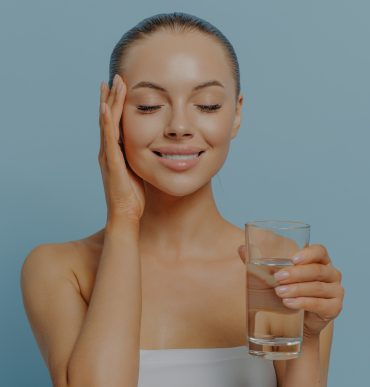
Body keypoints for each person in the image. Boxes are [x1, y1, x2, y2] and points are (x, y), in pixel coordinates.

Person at [20, 12, 344, 387]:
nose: (179, 127)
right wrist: (123, 216)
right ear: (112, 116)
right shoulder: (61, 269)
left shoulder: (279, 266)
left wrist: (309, 338)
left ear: (236, 114)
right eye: (148, 106)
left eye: (206, 105)